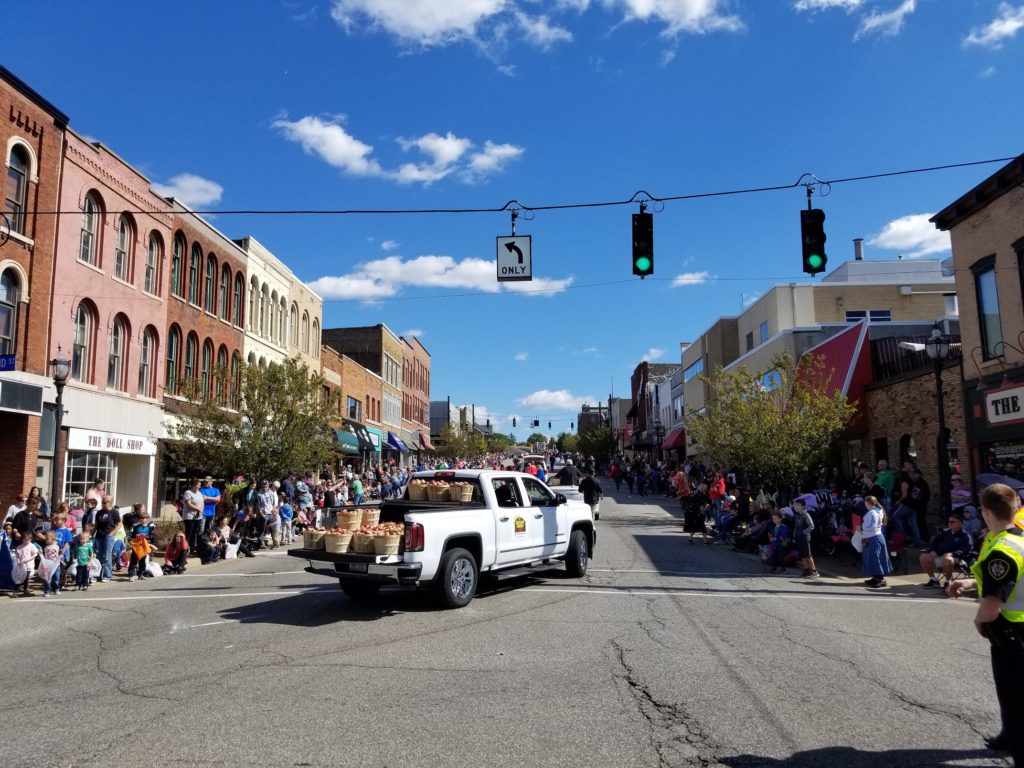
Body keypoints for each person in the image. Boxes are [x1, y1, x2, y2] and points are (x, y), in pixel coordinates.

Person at [948, 483, 1024, 765]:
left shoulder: (1002, 549)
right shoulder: (1014, 538)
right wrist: (970, 582)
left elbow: (991, 609)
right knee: (1010, 695)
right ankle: (1008, 736)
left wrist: (980, 621)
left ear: (986, 511)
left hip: (1011, 633)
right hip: (1014, 631)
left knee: (1016, 700)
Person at [920, 514, 974, 588]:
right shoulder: (944, 532)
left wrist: (952, 554)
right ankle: (933, 580)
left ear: (959, 523)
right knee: (923, 557)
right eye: (949, 521)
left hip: (957, 558)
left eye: (952, 522)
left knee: (948, 559)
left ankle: (948, 581)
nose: (950, 523)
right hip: (940, 555)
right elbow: (934, 542)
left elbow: (966, 549)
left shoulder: (964, 535)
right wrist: (933, 551)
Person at [860, 495, 892, 588]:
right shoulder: (879, 510)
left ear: (868, 503)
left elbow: (871, 527)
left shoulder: (871, 513)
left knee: (875, 559)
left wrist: (862, 529)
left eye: (865, 502)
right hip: (877, 537)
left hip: (873, 538)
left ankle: (881, 579)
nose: (864, 504)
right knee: (875, 558)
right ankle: (875, 577)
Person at [92, 495, 120, 583]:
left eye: (105, 502)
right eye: (102, 502)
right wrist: (92, 535)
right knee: (98, 556)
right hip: (99, 536)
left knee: (107, 557)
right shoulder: (99, 513)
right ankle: (97, 574)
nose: (103, 504)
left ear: (110, 503)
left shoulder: (114, 512)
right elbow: (96, 525)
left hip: (108, 536)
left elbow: (119, 524)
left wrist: (112, 533)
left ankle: (107, 575)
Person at [792, 498, 820, 579]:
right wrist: (794, 535)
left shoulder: (806, 515)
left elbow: (811, 526)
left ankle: (814, 572)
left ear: (803, 506)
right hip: (798, 538)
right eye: (795, 505)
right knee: (802, 555)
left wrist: (803, 532)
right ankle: (806, 570)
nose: (796, 506)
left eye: (798, 505)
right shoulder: (797, 515)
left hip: (805, 538)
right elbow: (796, 527)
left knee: (808, 555)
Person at [127, 510, 154, 582]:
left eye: (143, 518)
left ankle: (141, 574)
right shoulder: (136, 527)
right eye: (140, 518)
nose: (141, 520)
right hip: (136, 546)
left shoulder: (149, 527)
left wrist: (147, 536)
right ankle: (131, 575)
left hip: (144, 546)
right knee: (133, 561)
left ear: (147, 519)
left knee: (142, 561)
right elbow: (132, 536)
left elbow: (151, 536)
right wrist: (136, 536)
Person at [182, 479, 205, 552]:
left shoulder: (199, 493)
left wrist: (200, 510)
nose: (199, 487)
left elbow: (202, 502)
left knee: (195, 532)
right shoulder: (188, 492)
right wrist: (198, 508)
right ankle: (186, 548)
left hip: (198, 516)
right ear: (194, 485)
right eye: (198, 485)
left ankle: (192, 547)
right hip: (189, 516)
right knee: (189, 532)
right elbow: (189, 504)